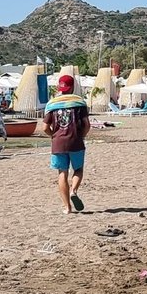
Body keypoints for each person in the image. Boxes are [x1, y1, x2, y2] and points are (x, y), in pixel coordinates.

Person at [40, 74, 91, 213]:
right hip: (76, 141)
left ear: (60, 87)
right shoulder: (79, 103)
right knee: (78, 169)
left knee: (62, 173)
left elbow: (44, 128)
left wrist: (54, 136)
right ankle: (73, 191)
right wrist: (81, 136)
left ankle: (67, 208)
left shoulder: (53, 105)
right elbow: (87, 125)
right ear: (73, 87)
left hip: (58, 143)